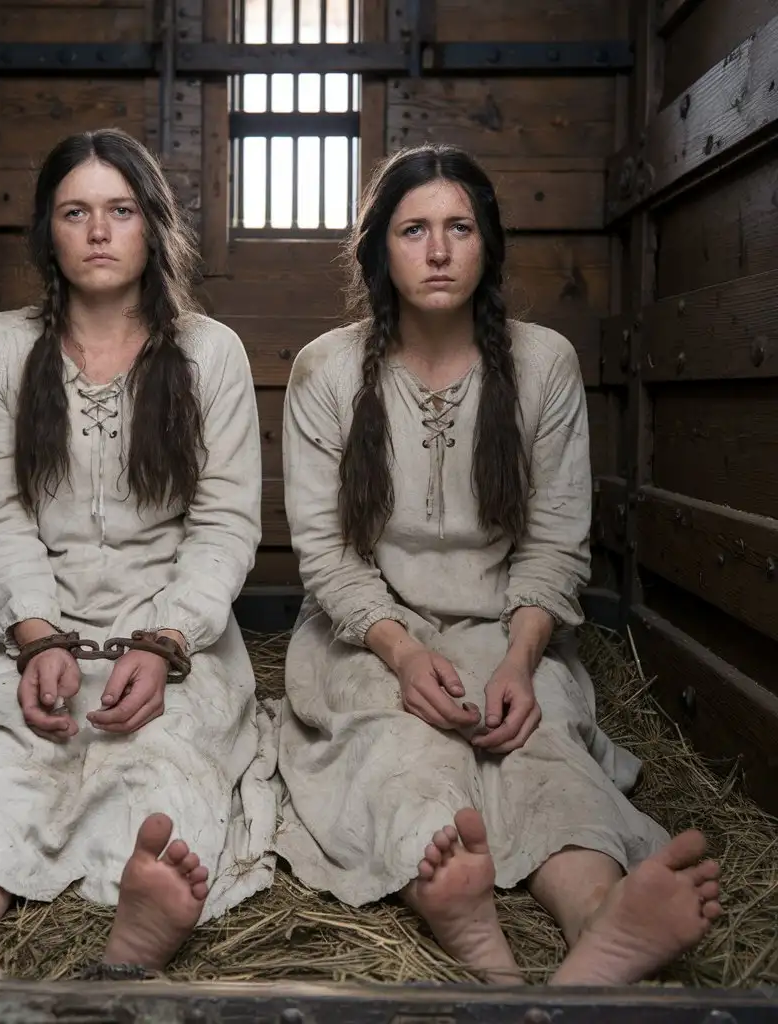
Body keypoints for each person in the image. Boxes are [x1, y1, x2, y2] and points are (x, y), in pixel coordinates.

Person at [276, 143, 722, 986]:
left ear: (488, 246)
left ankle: (601, 920)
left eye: (459, 228)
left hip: (509, 627)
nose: (438, 250)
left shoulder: (543, 362)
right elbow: (328, 557)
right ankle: (468, 921)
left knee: (543, 737)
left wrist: (521, 658)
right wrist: (404, 654)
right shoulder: (326, 371)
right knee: (401, 747)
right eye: (414, 230)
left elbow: (556, 541)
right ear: (380, 250)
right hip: (371, 636)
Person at [0, 128, 278, 979]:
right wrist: (37, 639)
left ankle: (137, 935)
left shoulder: (209, 353)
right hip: (34, 621)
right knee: (10, 750)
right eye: (75, 213)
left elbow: (225, 526)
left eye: (120, 210)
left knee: (163, 759)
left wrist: (164, 645)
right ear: (48, 233)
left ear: (152, 225)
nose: (100, 231)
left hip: (173, 634)